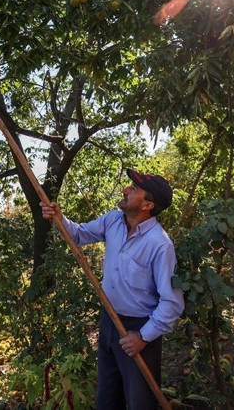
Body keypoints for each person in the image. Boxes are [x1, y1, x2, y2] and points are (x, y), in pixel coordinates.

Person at [40, 169, 185, 410]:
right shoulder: (113, 221)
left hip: (139, 330)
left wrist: (142, 337)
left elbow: (172, 303)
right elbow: (77, 235)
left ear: (148, 204)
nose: (125, 190)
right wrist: (58, 217)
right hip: (109, 322)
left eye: (134, 189)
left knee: (140, 402)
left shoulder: (160, 245)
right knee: (107, 397)